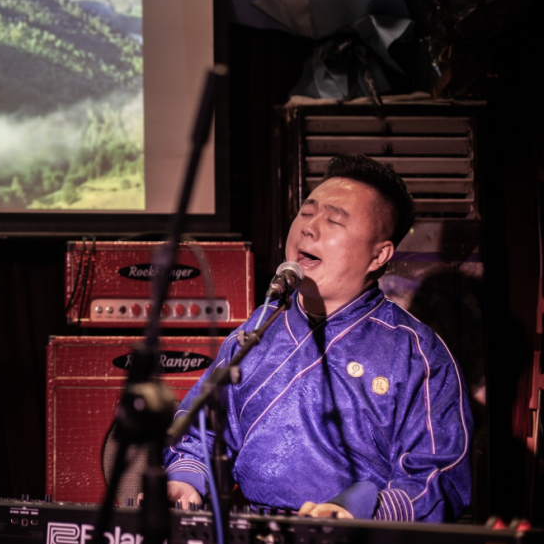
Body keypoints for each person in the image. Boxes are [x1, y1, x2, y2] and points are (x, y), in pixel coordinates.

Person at [164, 153, 472, 522]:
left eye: (334, 220)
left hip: (358, 541)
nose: (309, 229)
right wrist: (185, 480)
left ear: (379, 255)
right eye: (306, 213)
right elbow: (200, 429)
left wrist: (361, 511)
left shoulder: (416, 354)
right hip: (250, 532)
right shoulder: (257, 330)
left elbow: (438, 475)